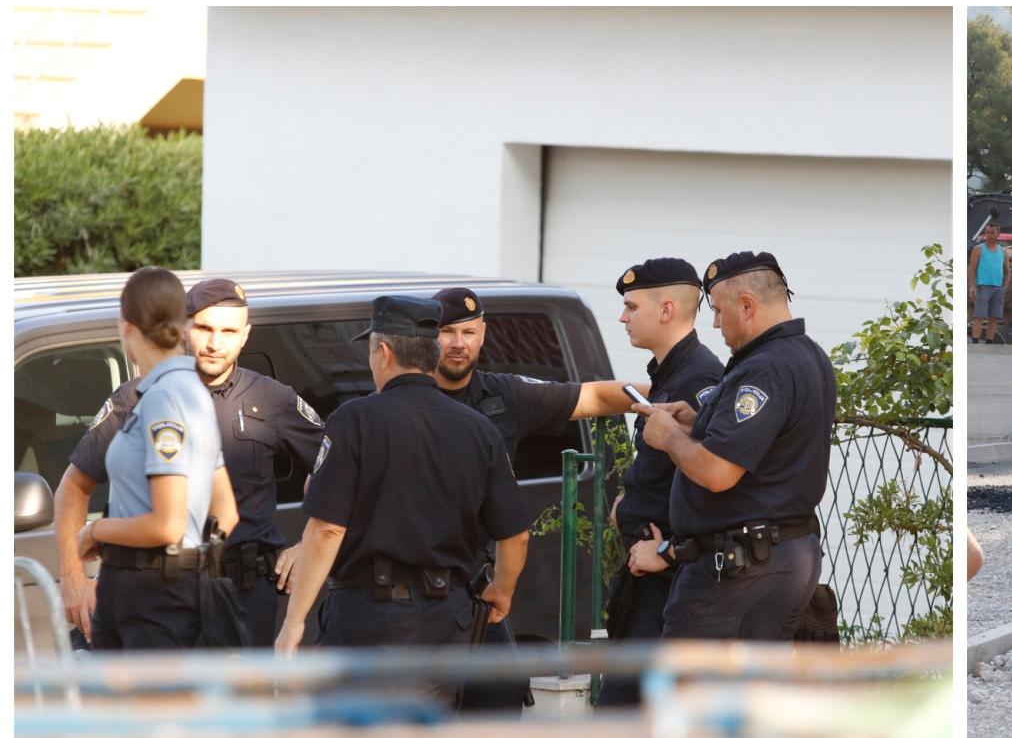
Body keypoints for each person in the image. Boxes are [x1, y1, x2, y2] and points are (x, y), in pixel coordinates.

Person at [275, 295, 531, 696]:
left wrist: (294, 622)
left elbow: (326, 529)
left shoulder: (354, 419)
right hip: (445, 621)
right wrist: (502, 591)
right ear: (432, 354)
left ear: (383, 352)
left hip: (365, 617)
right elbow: (515, 534)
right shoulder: (479, 429)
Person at [56, 277, 325, 649]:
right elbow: (74, 484)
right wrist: (73, 578)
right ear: (183, 326)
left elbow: (343, 469)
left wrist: (307, 546)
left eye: (229, 331)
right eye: (204, 328)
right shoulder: (139, 397)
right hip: (164, 584)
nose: (216, 343)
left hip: (240, 590)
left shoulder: (271, 398)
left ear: (246, 335)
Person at [429, 285, 647, 712]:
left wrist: (676, 395)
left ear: (484, 334)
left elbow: (595, 396)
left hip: (472, 583)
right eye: (447, 332)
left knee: (500, 695)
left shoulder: (504, 395)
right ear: (426, 336)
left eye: (469, 333)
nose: (458, 344)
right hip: (414, 582)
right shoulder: (405, 397)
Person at [627, 251, 837, 640]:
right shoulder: (808, 355)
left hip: (739, 572)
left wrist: (669, 436)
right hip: (775, 558)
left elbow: (718, 472)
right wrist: (697, 421)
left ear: (747, 305)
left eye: (721, 311)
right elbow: (769, 447)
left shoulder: (764, 367)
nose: (716, 323)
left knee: (691, 696)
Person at [74, 267, 239, 650]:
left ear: (126, 326)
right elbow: (226, 511)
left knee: (153, 710)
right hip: (156, 588)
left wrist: (95, 532)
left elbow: (167, 524)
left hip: (152, 595)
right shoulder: (185, 391)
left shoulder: (165, 399)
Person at [598, 259, 726, 710]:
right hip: (649, 572)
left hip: (669, 577)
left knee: (623, 718)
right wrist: (627, 505)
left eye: (632, 306)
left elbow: (713, 482)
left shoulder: (698, 378)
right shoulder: (669, 373)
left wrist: (669, 549)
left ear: (667, 309)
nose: (623, 317)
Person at [970, 222, 1008, 345]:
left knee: (994, 317)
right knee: (979, 316)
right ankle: (975, 342)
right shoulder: (978, 249)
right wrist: (972, 286)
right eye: (988, 232)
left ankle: (989, 342)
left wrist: (1005, 286)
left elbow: (1008, 270)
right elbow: (972, 269)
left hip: (998, 287)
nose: (990, 235)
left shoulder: (1003, 251)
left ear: (998, 234)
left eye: (992, 232)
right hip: (983, 286)